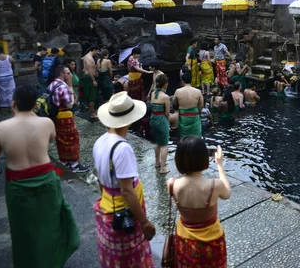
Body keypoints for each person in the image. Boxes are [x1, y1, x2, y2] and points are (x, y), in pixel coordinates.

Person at [0, 85, 80, 267]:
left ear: (13, 104)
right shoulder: (46, 123)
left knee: (23, 230)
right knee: (51, 225)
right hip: (47, 181)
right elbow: (50, 138)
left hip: (18, 185)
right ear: (35, 105)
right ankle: (52, 261)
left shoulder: (0, 129)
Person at [93, 92, 156, 267]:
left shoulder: (100, 141)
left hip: (108, 204)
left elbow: (99, 178)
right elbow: (127, 190)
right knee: (132, 258)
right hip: (124, 210)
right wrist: (144, 222)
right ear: (129, 120)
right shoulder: (122, 149)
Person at [166, 137, 231, 267]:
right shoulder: (214, 185)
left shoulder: (172, 184)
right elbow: (227, 194)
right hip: (212, 241)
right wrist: (219, 165)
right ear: (203, 159)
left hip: (184, 240)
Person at [49, 65, 89, 173]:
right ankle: (74, 164)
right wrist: (71, 91)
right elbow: (70, 105)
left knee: (61, 139)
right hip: (65, 116)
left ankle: (64, 161)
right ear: (62, 74)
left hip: (56, 116)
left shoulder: (52, 84)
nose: (70, 75)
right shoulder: (64, 87)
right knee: (72, 139)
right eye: (68, 73)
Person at [172, 71, 204, 138]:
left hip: (183, 116)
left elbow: (174, 103)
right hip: (194, 116)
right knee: (196, 137)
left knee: (184, 138)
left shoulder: (178, 91)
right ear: (191, 80)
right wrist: (198, 113)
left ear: (182, 81)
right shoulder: (198, 91)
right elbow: (201, 105)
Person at [149, 74, 170, 174]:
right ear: (165, 84)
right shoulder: (165, 97)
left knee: (157, 142)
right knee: (165, 144)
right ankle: (163, 168)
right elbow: (167, 113)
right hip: (161, 119)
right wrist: (168, 122)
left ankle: (157, 162)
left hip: (153, 119)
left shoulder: (153, 93)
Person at [0, 45, 15, 110]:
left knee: (0, 92)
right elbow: (13, 65)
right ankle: (10, 106)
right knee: (10, 91)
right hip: (9, 76)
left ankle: (0, 106)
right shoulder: (9, 58)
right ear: (2, 50)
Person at [81, 45, 99, 119]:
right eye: (97, 51)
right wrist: (94, 80)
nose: (97, 53)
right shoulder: (89, 58)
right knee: (91, 96)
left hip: (88, 77)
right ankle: (92, 113)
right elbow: (88, 70)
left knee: (90, 95)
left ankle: (92, 111)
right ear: (94, 50)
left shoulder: (86, 56)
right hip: (89, 78)